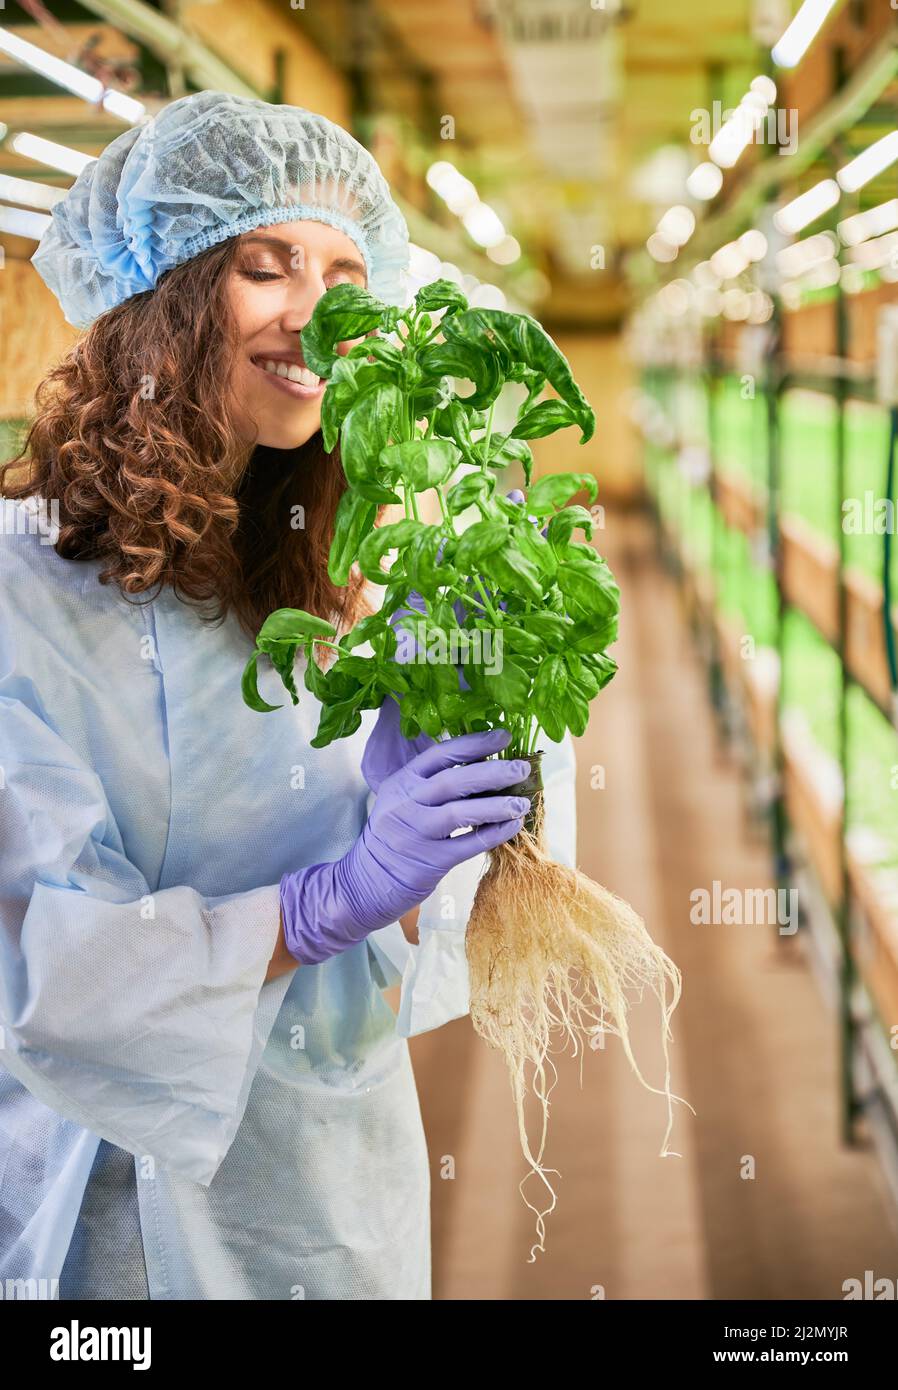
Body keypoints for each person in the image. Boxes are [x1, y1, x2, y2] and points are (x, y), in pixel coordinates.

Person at [0, 90, 576, 1300]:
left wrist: (444, 832)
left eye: (347, 271)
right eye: (267, 267)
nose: (321, 311)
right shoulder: (21, 588)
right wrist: (325, 900)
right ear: (156, 299)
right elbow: (51, 967)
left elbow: (415, 944)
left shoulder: (327, 568)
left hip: (331, 1188)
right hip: (108, 1206)